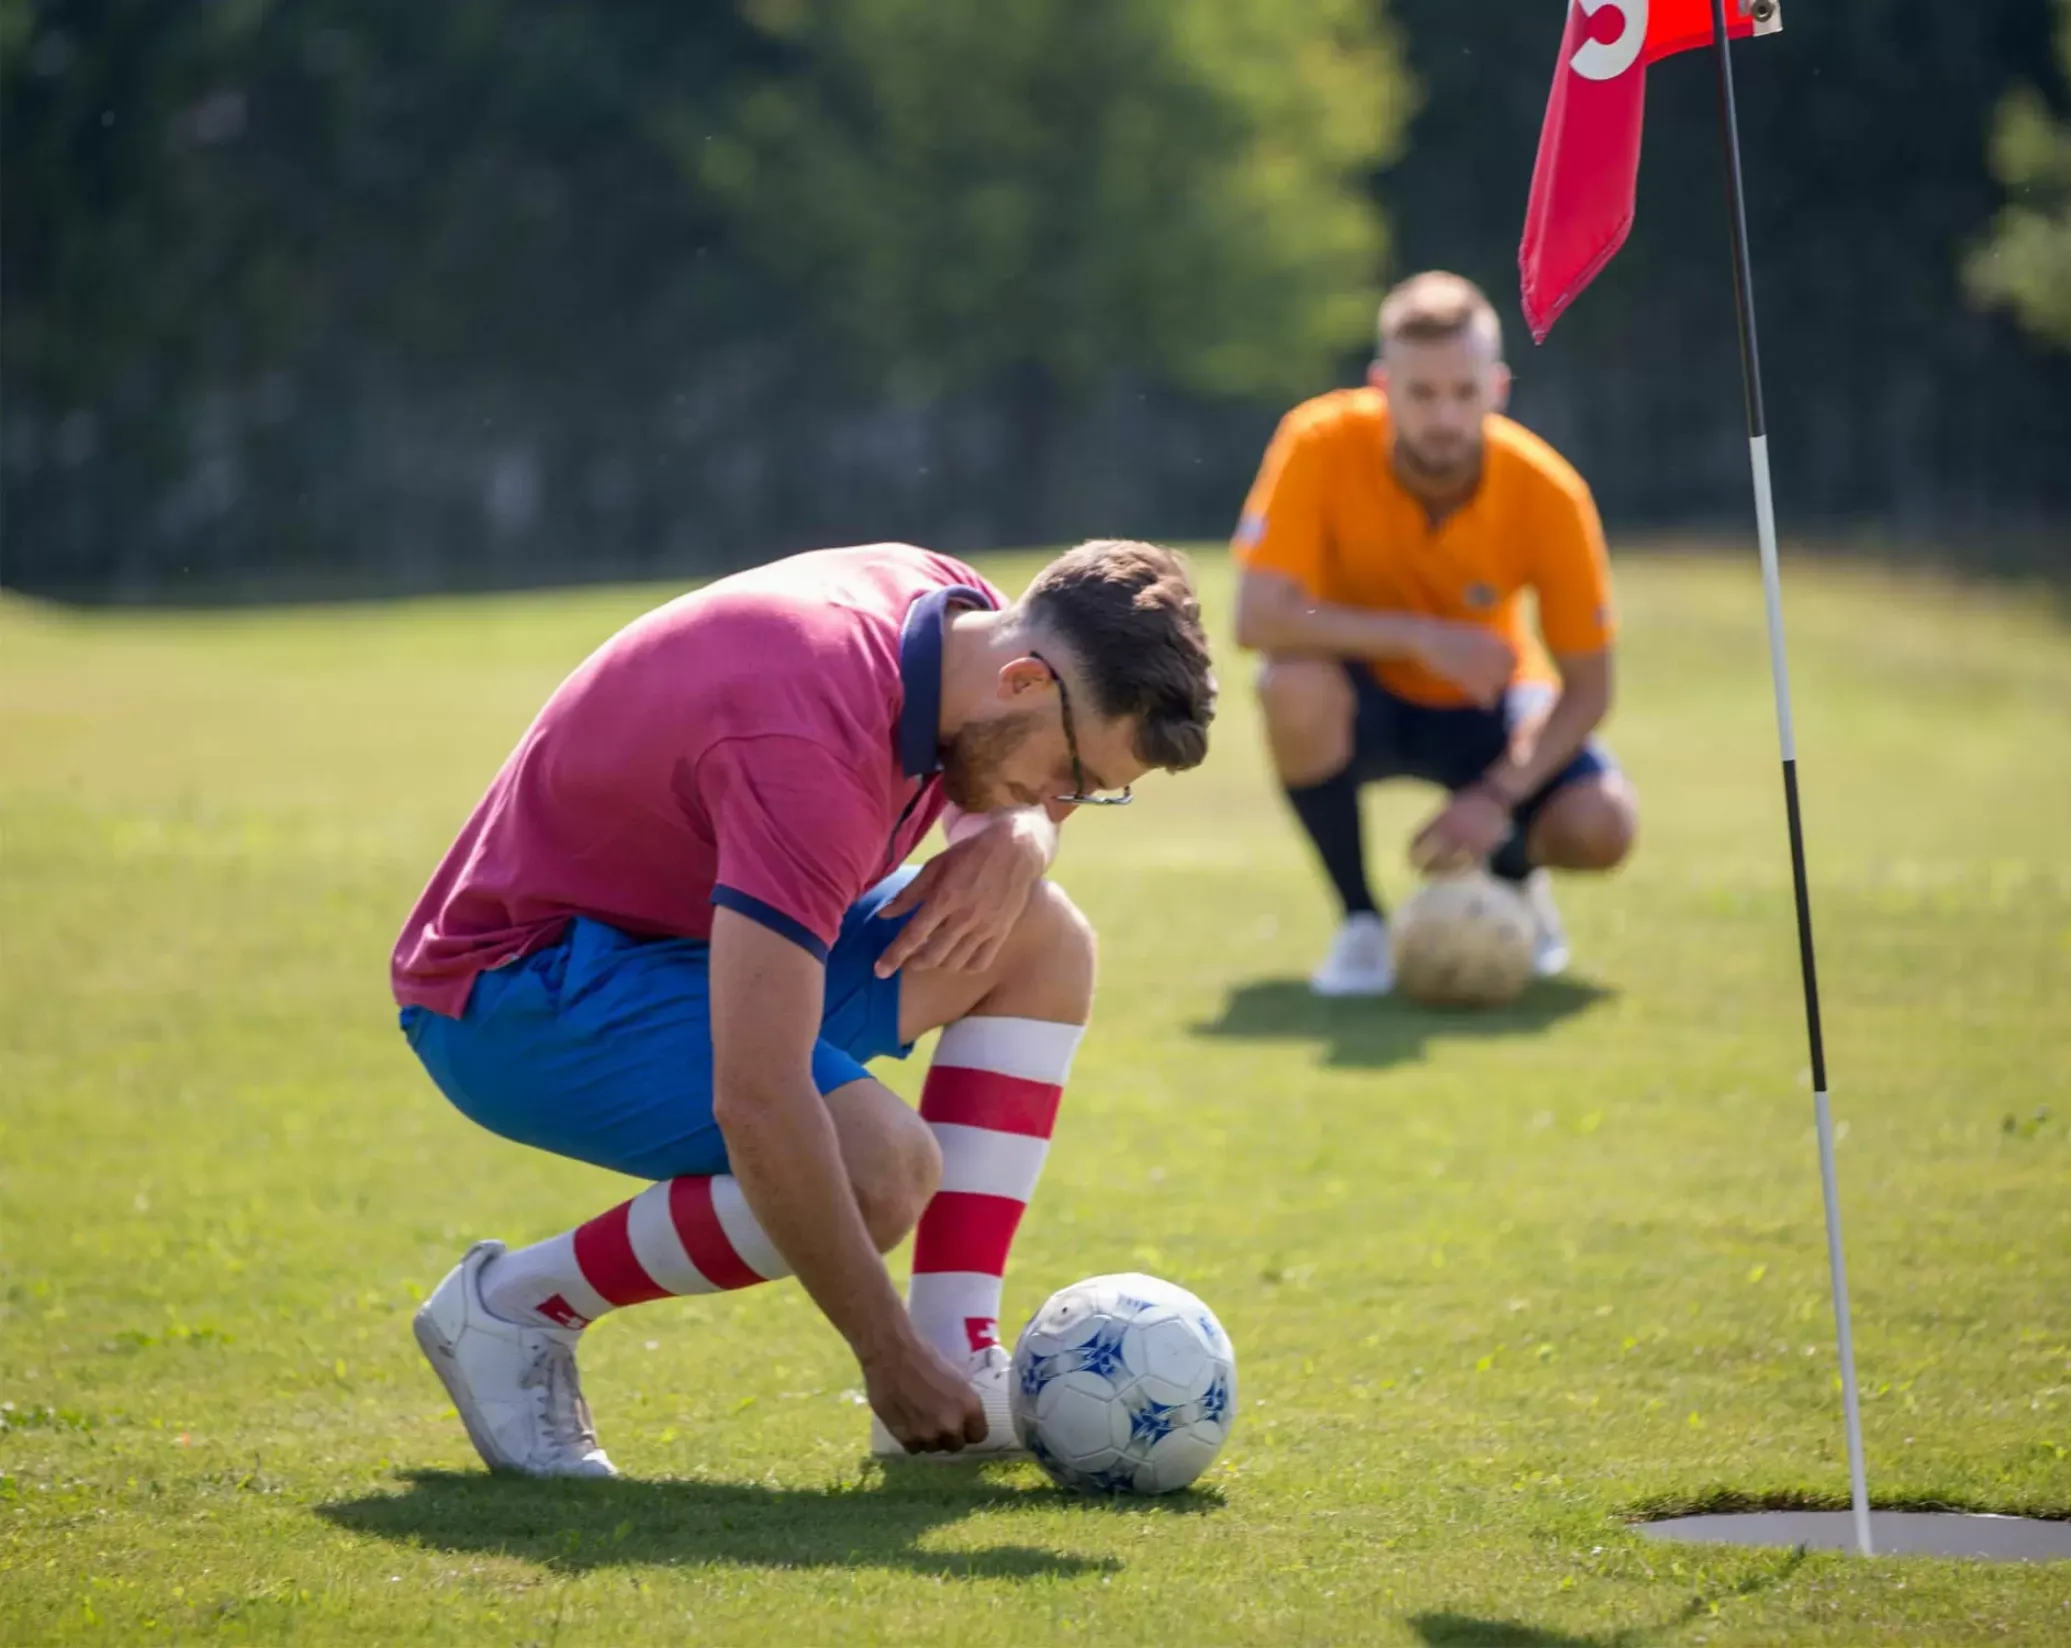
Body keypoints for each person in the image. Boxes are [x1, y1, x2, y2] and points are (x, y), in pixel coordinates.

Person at [393, 539, 1217, 1475]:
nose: (1063, 807)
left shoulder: (963, 623)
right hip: (510, 996)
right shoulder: (808, 742)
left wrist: (1022, 834)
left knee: (1040, 939)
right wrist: (881, 1355)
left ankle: (956, 1350)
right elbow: (760, 1097)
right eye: (1071, 777)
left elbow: (1009, 799)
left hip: (679, 951)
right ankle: (512, 1303)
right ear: (1027, 680)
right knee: (881, 1171)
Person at [1231, 271, 1636, 997]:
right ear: (1383, 387)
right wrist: (1424, 638)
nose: (1444, 415)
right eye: (1421, 393)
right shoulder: (1317, 440)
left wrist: (1496, 796)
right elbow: (1255, 617)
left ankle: (1510, 883)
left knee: (1602, 825)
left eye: (1464, 391)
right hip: (1365, 697)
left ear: (1498, 388)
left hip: (1490, 703)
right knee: (1288, 683)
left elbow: (1590, 689)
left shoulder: (1551, 493)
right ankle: (1360, 923)